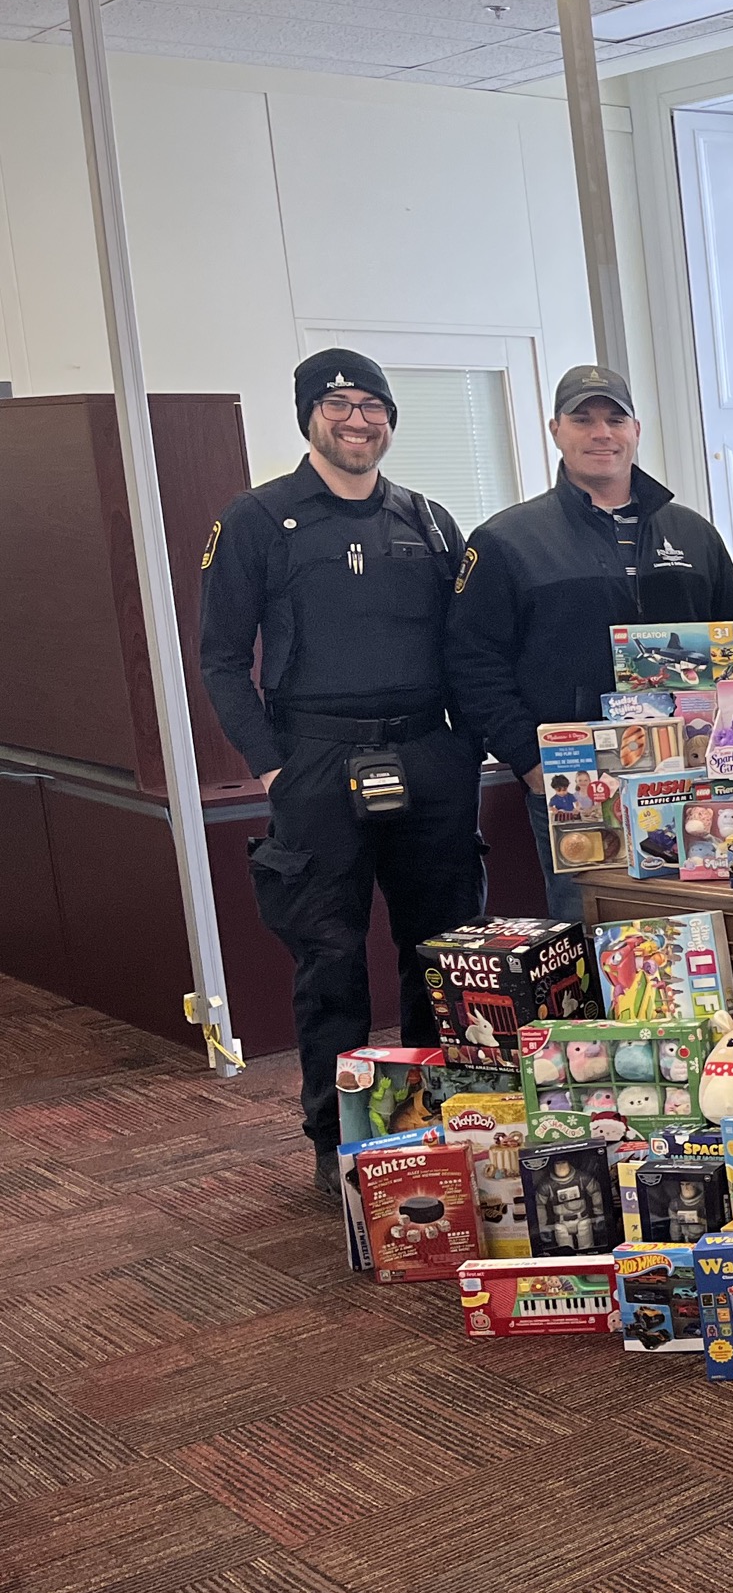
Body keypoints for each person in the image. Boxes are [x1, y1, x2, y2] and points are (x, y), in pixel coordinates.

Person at [198, 349, 485, 1193]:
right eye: (338, 405)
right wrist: (273, 768)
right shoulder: (256, 520)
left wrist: (465, 746)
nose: (358, 420)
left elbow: (468, 646)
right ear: (307, 417)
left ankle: (439, 1115)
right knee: (329, 958)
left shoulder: (429, 520)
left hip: (429, 758)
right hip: (315, 762)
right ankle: (339, 1137)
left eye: (373, 405)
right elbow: (220, 659)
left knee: (440, 952)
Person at [445, 364, 733, 924]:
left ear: (636, 430)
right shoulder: (507, 541)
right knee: (596, 935)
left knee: (705, 929)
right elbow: (470, 664)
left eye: (614, 418)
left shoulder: (694, 533)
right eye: (583, 419)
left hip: (699, 776)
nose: (600, 432)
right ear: (556, 429)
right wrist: (529, 759)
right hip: (577, 781)